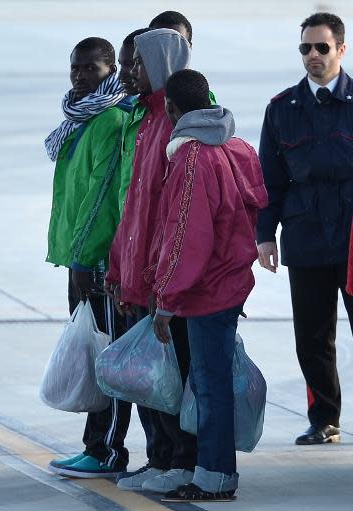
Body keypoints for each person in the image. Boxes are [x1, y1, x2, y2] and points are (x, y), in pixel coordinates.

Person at [149, 69, 267, 503]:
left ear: (171, 108)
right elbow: (253, 208)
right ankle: (212, 470)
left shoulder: (191, 158)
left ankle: (215, 475)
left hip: (206, 290)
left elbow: (186, 237)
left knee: (209, 383)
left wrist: (166, 299)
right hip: (231, 284)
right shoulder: (237, 147)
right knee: (212, 381)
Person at [104, 28, 198, 494]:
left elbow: (174, 216)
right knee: (149, 379)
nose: (130, 71)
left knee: (173, 376)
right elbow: (134, 206)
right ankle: (159, 456)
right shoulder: (145, 120)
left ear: (160, 64)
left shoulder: (178, 125)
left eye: (138, 63)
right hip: (138, 274)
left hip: (163, 279)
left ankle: (181, 459)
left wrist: (158, 279)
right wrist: (118, 268)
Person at [257, 12, 353, 445]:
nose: (312, 56)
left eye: (321, 47)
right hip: (306, 236)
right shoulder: (282, 110)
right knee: (312, 337)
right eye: (305, 49)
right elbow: (270, 181)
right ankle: (324, 419)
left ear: (341, 49)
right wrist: (264, 235)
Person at [43, 37, 129, 478]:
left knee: (107, 357)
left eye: (90, 69)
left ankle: (106, 450)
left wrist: (82, 260)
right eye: (75, 68)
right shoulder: (80, 119)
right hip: (79, 258)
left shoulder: (110, 120)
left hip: (95, 262)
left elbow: (100, 202)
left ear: (110, 69)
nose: (79, 77)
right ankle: (96, 446)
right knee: (96, 356)